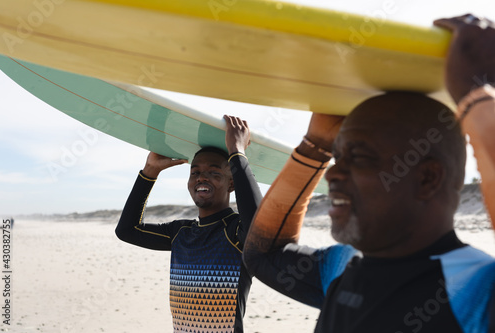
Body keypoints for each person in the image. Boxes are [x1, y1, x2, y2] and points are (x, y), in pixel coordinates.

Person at [242, 14, 495, 333]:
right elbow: (263, 253)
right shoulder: (342, 265)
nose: (333, 175)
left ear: (428, 178)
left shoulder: (477, 288)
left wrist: (475, 99)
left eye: (359, 157)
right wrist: (314, 148)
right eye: (337, 157)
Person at [116, 115, 262, 333]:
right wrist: (150, 172)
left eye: (214, 172)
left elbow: (258, 225)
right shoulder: (180, 233)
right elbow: (127, 231)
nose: (201, 177)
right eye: (195, 172)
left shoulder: (236, 232)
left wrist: (237, 153)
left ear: (231, 183)